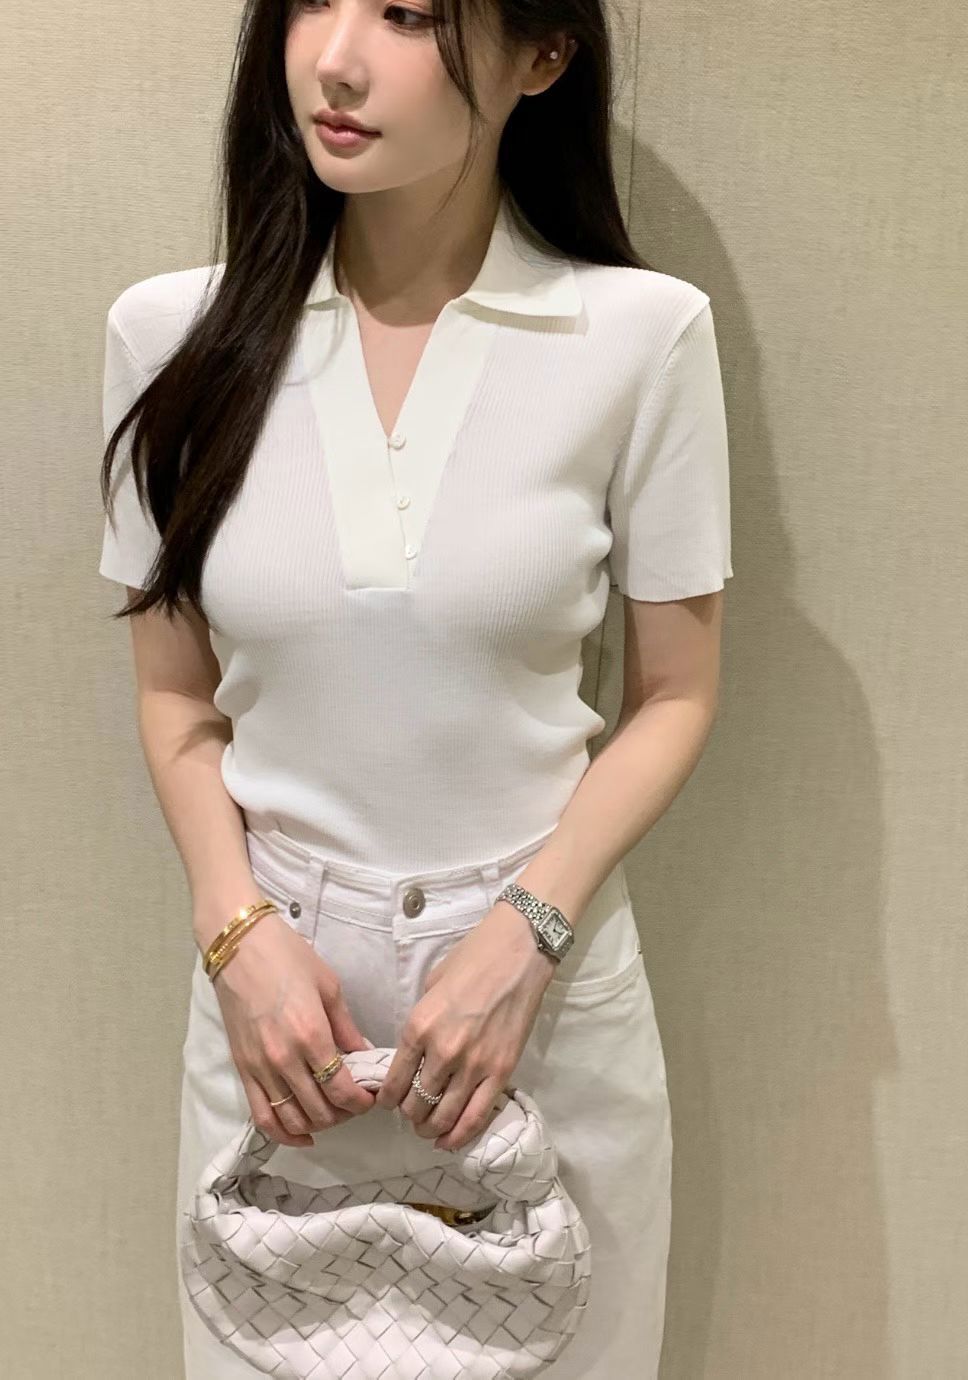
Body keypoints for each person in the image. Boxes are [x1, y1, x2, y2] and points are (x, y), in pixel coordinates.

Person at [98, 1, 733, 1374]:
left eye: (407, 14)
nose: (335, 58)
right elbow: (175, 697)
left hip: (539, 1004)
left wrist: (527, 936)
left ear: (542, 56)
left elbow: (676, 693)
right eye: (313, 2)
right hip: (276, 1019)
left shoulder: (641, 336)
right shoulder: (171, 335)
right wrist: (236, 934)